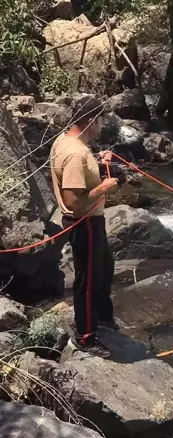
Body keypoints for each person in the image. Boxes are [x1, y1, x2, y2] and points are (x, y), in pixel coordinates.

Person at [50, 95, 120, 359]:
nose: (102, 126)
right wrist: (103, 187)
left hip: (91, 221)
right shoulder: (76, 153)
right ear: (91, 121)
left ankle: (102, 317)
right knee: (88, 279)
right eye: (101, 120)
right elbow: (74, 202)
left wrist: (98, 161)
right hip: (85, 222)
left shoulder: (65, 141)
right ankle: (86, 337)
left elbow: (77, 172)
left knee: (103, 268)